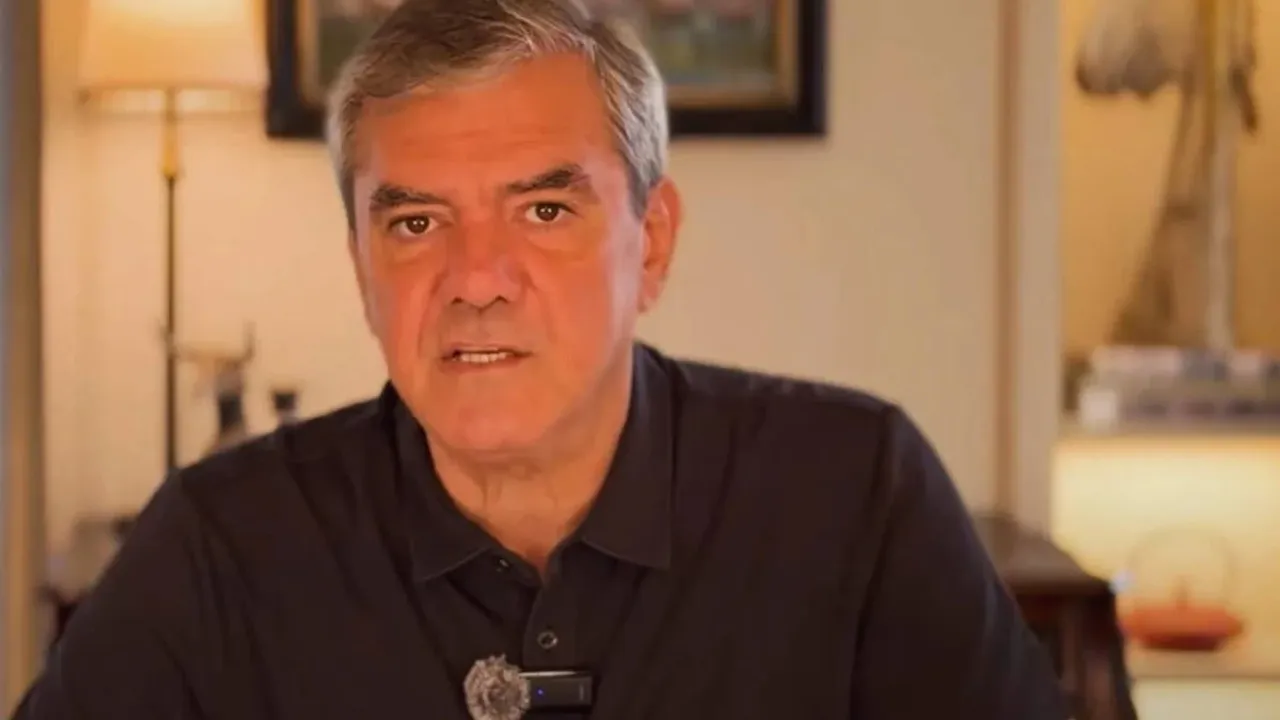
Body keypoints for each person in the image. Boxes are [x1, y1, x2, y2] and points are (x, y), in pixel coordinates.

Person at [14, 0, 1068, 718]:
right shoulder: (218, 545)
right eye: (416, 224)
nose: (476, 279)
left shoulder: (854, 492)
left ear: (651, 243)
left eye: (544, 210)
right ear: (361, 268)